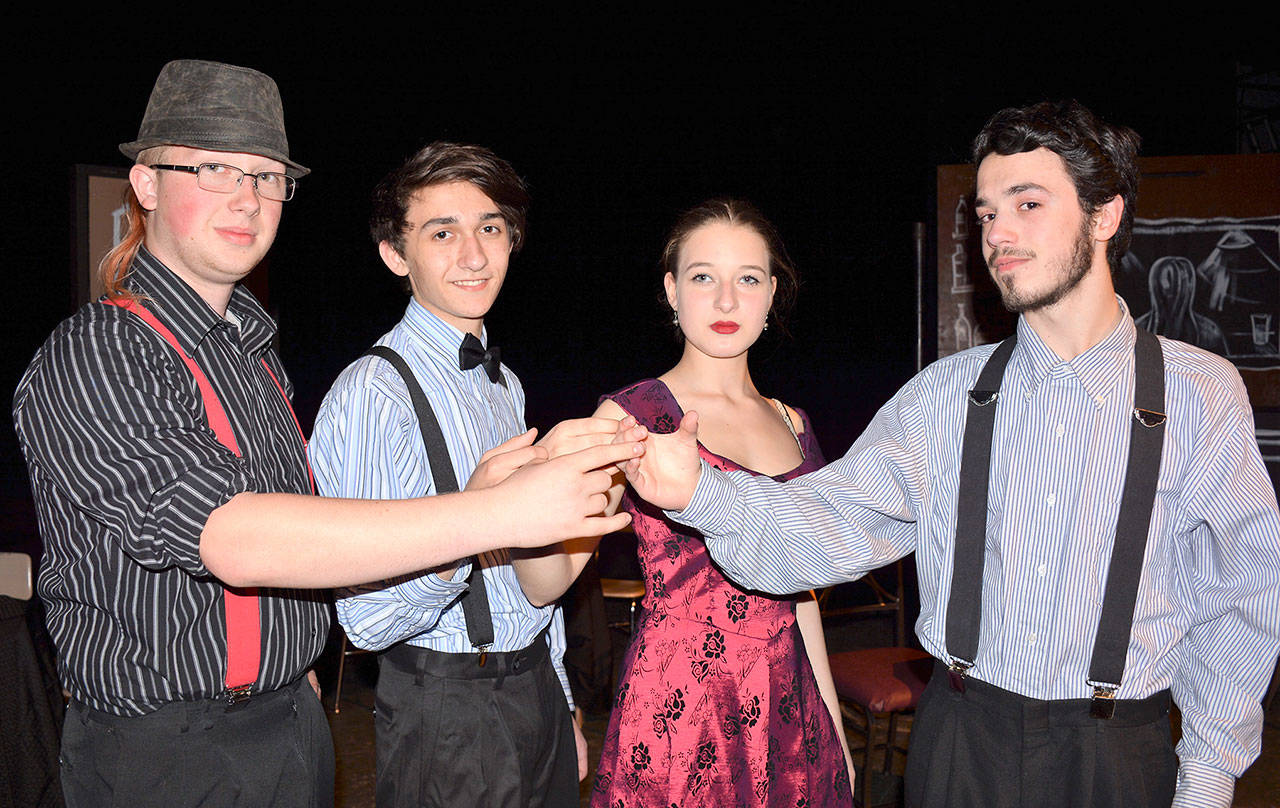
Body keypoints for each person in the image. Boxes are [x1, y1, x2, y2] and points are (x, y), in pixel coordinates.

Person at [12, 60, 638, 808]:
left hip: (289, 724)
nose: (247, 198)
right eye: (215, 169)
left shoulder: (255, 357)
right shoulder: (101, 348)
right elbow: (231, 536)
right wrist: (498, 512)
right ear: (146, 184)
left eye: (268, 177)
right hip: (167, 750)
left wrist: (292, 668)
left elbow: (302, 551)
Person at [617, 101, 1280, 808]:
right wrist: (700, 492)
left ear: (1104, 215)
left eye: (1028, 202)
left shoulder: (1200, 393)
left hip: (1116, 757)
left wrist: (1207, 778)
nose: (1000, 232)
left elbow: (1241, 596)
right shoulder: (942, 398)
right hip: (961, 746)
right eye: (988, 212)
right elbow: (822, 526)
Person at [514, 199, 856, 806]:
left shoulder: (794, 423)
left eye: (747, 279)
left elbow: (800, 595)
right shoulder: (634, 415)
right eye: (703, 277)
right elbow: (546, 585)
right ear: (672, 290)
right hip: (682, 709)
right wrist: (518, 509)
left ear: (772, 293)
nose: (726, 301)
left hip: (789, 704)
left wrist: (832, 727)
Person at [309, 141, 614, 807]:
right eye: (441, 232)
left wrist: (560, 700)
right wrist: (468, 522)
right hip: (447, 710)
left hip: (532, 691)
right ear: (396, 254)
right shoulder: (372, 393)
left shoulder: (505, 383)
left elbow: (532, 576)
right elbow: (364, 619)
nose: (473, 255)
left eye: (490, 229)